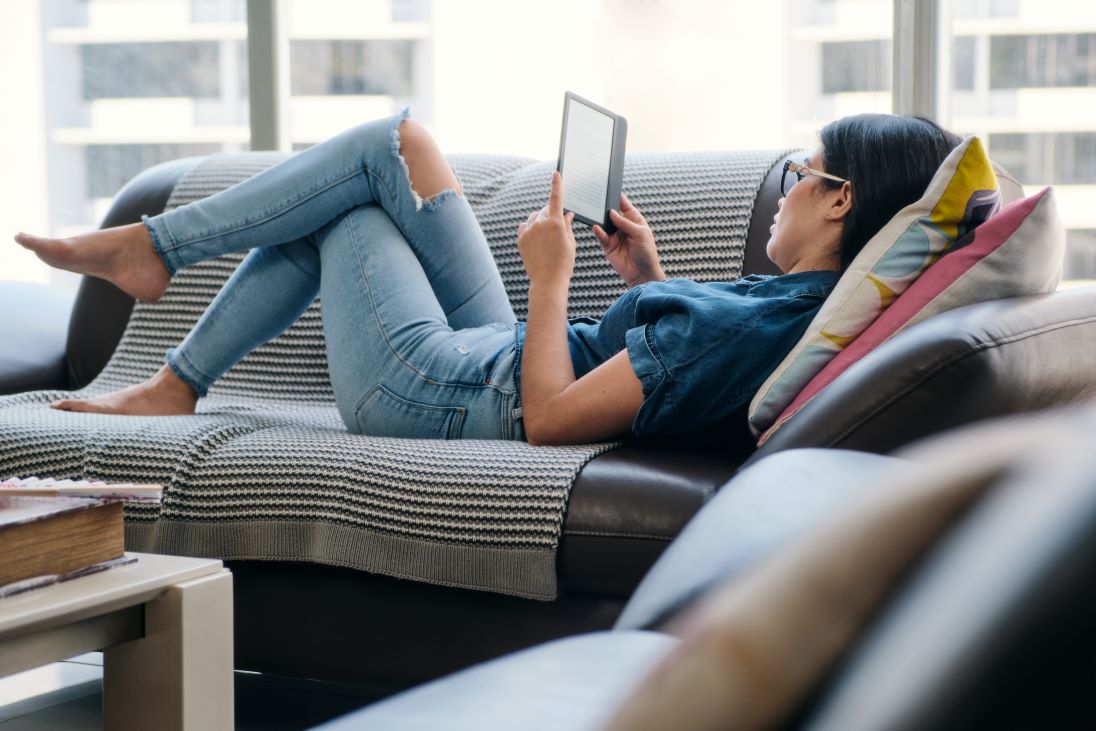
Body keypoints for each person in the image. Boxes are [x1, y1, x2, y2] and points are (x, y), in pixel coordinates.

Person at [13, 110, 961, 447]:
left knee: (349, 202)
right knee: (399, 145)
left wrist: (552, 281)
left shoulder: (760, 328)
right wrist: (648, 275)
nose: (788, 189)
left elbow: (548, 420)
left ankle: (159, 262)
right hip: (494, 359)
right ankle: (170, 348)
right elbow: (677, 355)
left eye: (803, 173)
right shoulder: (802, 306)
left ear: (841, 202)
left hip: (449, 393)